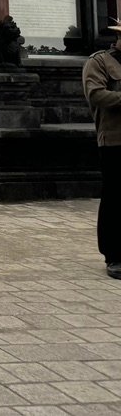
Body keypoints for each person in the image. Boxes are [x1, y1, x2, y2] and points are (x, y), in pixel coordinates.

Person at [81, 22, 121, 280]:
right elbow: (96, 94)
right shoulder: (100, 62)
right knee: (115, 199)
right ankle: (115, 256)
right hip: (115, 141)